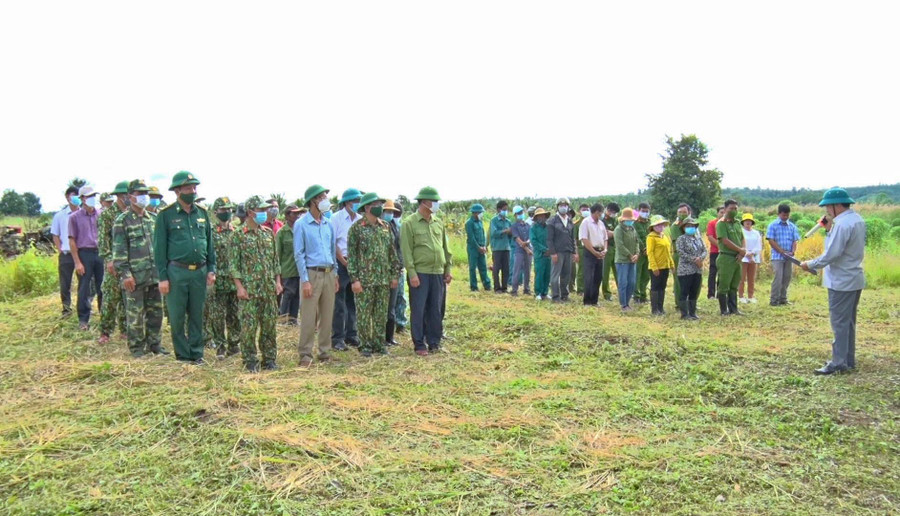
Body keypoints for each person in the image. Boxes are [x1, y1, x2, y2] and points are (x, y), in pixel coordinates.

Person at [801, 187, 866, 375]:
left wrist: (810, 264)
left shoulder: (842, 224)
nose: (826, 211)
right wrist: (829, 228)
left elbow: (832, 253)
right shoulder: (856, 220)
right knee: (848, 322)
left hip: (841, 280)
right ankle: (847, 359)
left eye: (828, 207)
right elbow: (840, 247)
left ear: (838, 205)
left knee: (839, 323)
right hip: (853, 277)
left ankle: (838, 363)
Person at [154, 171, 216, 365]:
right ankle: (182, 355)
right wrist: (163, 277)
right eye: (189, 188)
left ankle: (197, 353)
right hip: (176, 272)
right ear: (178, 191)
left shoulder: (203, 213)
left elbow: (209, 244)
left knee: (197, 315)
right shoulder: (166, 215)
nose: (193, 191)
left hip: (199, 271)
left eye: (194, 187)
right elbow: (159, 249)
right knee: (178, 315)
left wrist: (211, 268)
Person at [112, 179, 167, 357]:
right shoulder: (122, 221)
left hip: (154, 274)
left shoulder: (153, 219)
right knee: (135, 314)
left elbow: (159, 247)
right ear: (130, 197)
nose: (144, 197)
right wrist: (125, 274)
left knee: (156, 312)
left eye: (145, 193)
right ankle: (137, 348)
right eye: (139, 193)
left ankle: (155, 344)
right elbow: (119, 252)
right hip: (135, 276)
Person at [231, 196, 282, 372]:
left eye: (265, 209)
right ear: (251, 212)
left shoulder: (268, 234)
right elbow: (234, 264)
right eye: (261, 210)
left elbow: (275, 261)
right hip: (249, 290)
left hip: (268, 288)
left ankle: (269, 359)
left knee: (269, 325)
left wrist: (277, 282)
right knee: (249, 327)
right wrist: (239, 287)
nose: (265, 212)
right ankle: (250, 360)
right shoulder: (238, 235)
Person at [348, 193, 401, 357]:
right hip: (364, 280)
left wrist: (394, 275)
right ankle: (365, 345)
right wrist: (354, 279)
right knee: (364, 315)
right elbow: (352, 256)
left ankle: (379, 344)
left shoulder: (385, 226)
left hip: (383, 279)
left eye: (380, 203)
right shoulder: (356, 228)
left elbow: (392, 253)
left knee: (381, 314)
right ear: (367, 207)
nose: (379, 206)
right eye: (376, 203)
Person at [400, 186, 452, 356]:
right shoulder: (409, 223)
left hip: (437, 271)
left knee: (436, 309)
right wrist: (412, 273)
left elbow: (445, 247)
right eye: (434, 201)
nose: (436, 204)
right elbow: (406, 251)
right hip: (420, 273)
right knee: (419, 308)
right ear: (424, 202)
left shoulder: (438, 222)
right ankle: (419, 343)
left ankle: (434, 341)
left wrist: (447, 268)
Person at [294, 184, 339, 368]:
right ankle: (305, 353)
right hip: (312, 274)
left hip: (328, 273)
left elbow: (332, 249)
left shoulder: (328, 224)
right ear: (313, 201)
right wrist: (305, 280)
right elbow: (299, 254)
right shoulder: (301, 224)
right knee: (309, 315)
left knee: (327, 315)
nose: (325, 200)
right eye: (321, 197)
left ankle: (324, 351)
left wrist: (335, 274)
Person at [207, 197, 240, 359]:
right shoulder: (211, 233)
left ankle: (234, 345)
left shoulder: (237, 232)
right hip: (218, 281)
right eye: (223, 210)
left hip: (234, 281)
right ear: (215, 212)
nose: (226, 212)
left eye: (229, 209)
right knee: (217, 316)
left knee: (235, 315)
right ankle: (220, 346)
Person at [97, 180, 130, 343]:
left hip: (130, 263)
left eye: (129, 194)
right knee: (110, 297)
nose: (127, 197)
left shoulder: (133, 214)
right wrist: (109, 260)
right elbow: (103, 240)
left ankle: (125, 329)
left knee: (127, 297)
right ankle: (105, 331)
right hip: (114, 263)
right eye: (125, 195)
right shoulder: (108, 215)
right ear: (118, 196)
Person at [68, 186, 104, 330]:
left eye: (94, 196)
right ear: (82, 199)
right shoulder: (74, 217)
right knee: (84, 287)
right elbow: (72, 241)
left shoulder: (101, 215)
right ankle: (83, 320)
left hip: (100, 253)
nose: (92, 199)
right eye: (89, 196)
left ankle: (105, 316)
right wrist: (77, 262)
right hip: (84, 254)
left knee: (103, 286)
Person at [332, 188, 363, 351]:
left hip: (355, 264)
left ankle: (352, 334)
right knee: (339, 302)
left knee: (354, 301)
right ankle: (338, 338)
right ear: (346, 202)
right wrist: (343, 262)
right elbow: (333, 243)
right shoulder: (336, 219)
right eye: (354, 201)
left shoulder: (360, 219)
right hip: (340, 262)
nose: (357, 204)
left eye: (359, 201)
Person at [50, 185, 81, 317]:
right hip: (66, 254)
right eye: (72, 195)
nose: (74, 198)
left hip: (81, 253)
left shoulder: (83, 214)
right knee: (65, 283)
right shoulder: (60, 216)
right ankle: (66, 309)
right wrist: (60, 250)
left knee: (84, 283)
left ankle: (83, 308)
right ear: (67, 197)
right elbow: (55, 234)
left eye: (77, 195)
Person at [715, 199, 745, 316]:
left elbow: (742, 238)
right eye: (731, 209)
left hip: (737, 258)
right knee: (724, 285)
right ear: (725, 209)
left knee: (734, 284)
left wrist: (742, 252)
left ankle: (734, 309)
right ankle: (724, 310)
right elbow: (725, 241)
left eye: (735, 209)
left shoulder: (737, 223)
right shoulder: (721, 224)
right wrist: (740, 250)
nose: (734, 211)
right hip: (726, 257)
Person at [767, 204, 800, 306]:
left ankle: (783, 299)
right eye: (783, 215)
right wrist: (781, 251)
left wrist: (793, 251)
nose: (785, 217)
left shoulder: (792, 226)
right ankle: (774, 300)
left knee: (787, 277)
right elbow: (771, 240)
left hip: (789, 257)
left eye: (787, 215)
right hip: (777, 256)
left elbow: (795, 240)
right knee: (778, 277)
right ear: (779, 214)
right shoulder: (773, 225)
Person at [546, 197, 578, 302]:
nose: (563, 207)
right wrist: (553, 253)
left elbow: (572, 238)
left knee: (566, 274)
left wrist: (574, 252)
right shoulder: (552, 221)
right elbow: (549, 239)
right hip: (557, 252)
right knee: (555, 275)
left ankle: (565, 295)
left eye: (565, 205)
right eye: (561, 205)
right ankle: (555, 296)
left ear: (568, 207)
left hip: (568, 251)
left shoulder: (569, 221)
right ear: (557, 207)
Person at [675, 217, 707, 320]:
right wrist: (694, 259)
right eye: (688, 226)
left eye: (692, 226)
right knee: (684, 291)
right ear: (683, 228)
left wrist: (700, 259)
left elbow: (704, 250)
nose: (691, 228)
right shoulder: (681, 239)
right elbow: (681, 252)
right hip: (685, 270)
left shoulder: (698, 238)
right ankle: (684, 314)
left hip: (697, 269)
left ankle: (692, 313)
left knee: (694, 291)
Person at [276, 204, 303, 325]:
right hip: (287, 270)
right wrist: (278, 273)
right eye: (294, 213)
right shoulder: (282, 233)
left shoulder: (301, 230)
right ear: (287, 216)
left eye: (298, 213)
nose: (297, 216)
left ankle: (293, 320)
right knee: (288, 294)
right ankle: (283, 319)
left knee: (297, 295)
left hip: (299, 269)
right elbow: (277, 254)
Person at [382, 200, 404, 347]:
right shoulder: (377, 228)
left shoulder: (394, 226)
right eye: (388, 211)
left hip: (394, 271)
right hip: (380, 272)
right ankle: (380, 338)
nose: (390, 214)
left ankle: (389, 337)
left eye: (392, 212)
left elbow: (398, 249)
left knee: (391, 306)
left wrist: (400, 266)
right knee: (381, 307)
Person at [579, 203, 607, 306]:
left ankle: (595, 301)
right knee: (589, 277)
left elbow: (605, 238)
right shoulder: (586, 222)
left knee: (598, 277)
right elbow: (584, 239)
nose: (601, 214)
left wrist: (605, 250)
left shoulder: (601, 224)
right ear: (595, 212)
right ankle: (587, 301)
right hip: (590, 251)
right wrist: (594, 252)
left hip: (600, 252)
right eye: (600, 212)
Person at [647, 215, 674, 316]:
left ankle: (660, 308)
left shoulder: (665, 236)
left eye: (661, 225)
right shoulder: (651, 237)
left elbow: (668, 252)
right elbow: (650, 253)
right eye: (657, 225)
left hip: (665, 266)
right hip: (656, 267)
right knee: (655, 287)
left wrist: (672, 265)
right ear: (653, 227)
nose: (660, 227)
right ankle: (655, 309)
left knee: (662, 287)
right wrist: (654, 267)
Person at [613, 208, 640, 311]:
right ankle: (623, 304)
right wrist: (630, 255)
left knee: (632, 282)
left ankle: (628, 302)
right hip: (622, 260)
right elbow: (620, 245)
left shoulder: (632, 229)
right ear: (622, 220)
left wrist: (637, 254)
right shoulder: (618, 230)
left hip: (633, 260)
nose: (630, 221)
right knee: (623, 282)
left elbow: (637, 242)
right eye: (628, 220)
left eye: (631, 220)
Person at [669, 203, 691, 311]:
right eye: (680, 212)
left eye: (684, 212)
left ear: (689, 213)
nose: (682, 214)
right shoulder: (675, 226)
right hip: (679, 255)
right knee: (679, 280)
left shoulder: (692, 225)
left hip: (691, 256)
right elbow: (679, 242)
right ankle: (679, 303)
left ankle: (689, 301)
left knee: (690, 279)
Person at [465, 203, 491, 292]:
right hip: (473, 249)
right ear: (475, 213)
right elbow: (471, 238)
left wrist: (484, 246)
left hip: (481, 248)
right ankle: (474, 287)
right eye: (480, 212)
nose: (481, 214)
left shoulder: (480, 222)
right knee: (473, 268)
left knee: (483, 266)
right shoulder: (469, 223)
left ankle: (487, 285)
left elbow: (482, 235)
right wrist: (478, 247)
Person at [489, 200, 513, 293]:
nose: (505, 211)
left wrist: (510, 232)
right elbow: (494, 233)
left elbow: (511, 234)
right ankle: (497, 287)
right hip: (497, 248)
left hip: (506, 247)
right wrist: (505, 231)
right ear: (499, 210)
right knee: (496, 268)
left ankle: (504, 287)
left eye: (507, 209)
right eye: (504, 209)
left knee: (506, 269)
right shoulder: (494, 220)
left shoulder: (508, 221)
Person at [393, 201, 409, 333]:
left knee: (401, 297)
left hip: (400, 267)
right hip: (390, 268)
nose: (396, 216)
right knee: (390, 298)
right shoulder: (385, 226)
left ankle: (401, 323)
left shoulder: (402, 227)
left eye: (398, 214)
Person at [509, 205, 533, 296]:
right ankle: (514, 290)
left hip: (528, 249)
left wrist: (527, 243)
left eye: (521, 212)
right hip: (519, 251)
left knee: (528, 270)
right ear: (515, 215)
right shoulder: (514, 226)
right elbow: (517, 239)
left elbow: (531, 237)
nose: (521, 214)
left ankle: (526, 289)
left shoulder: (528, 225)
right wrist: (527, 248)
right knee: (517, 270)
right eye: (519, 213)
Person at [739, 213, 762, 304]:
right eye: (746, 221)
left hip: (754, 257)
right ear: (743, 222)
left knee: (751, 278)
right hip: (744, 257)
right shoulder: (740, 232)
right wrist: (747, 253)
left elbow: (758, 245)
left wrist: (752, 253)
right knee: (742, 278)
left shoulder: (756, 233)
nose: (748, 223)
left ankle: (750, 296)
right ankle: (741, 296)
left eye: (749, 221)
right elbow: (740, 244)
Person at [530, 208, 551, 300]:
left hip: (549, 254)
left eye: (543, 215)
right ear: (536, 217)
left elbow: (551, 239)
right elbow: (533, 241)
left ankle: (545, 293)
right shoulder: (533, 227)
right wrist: (544, 249)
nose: (542, 217)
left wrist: (550, 250)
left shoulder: (548, 227)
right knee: (539, 274)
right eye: (540, 216)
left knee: (547, 274)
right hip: (539, 254)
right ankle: (538, 292)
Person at [600, 202, 620, 302]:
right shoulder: (602, 220)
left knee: (618, 271)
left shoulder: (615, 220)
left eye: (615, 212)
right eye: (612, 211)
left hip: (615, 248)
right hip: (606, 248)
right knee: (605, 272)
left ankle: (622, 291)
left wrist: (613, 233)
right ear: (607, 209)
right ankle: (606, 293)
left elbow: (618, 232)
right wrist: (615, 233)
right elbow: (605, 234)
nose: (613, 213)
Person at [633, 202, 652, 305]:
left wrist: (650, 249)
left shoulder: (650, 223)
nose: (645, 213)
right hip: (640, 253)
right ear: (638, 211)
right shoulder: (635, 223)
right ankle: (636, 295)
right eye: (643, 211)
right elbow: (637, 238)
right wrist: (644, 249)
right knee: (637, 274)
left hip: (650, 253)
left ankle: (643, 294)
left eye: (647, 211)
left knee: (646, 275)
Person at [706, 206, 725, 299]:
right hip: (715, 252)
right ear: (717, 213)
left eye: (724, 213)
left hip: (725, 253)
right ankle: (711, 294)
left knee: (722, 274)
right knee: (713, 273)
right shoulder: (712, 223)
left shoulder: (727, 224)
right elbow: (710, 237)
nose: (723, 214)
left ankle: (720, 294)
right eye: (721, 212)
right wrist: (721, 246)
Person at [573, 203, 591, 294]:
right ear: (579, 211)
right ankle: (580, 289)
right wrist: (576, 253)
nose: (586, 211)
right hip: (581, 249)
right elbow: (575, 239)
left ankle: (588, 287)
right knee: (581, 270)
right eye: (584, 209)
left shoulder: (592, 222)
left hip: (591, 248)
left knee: (590, 269)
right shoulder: (576, 224)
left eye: (587, 209)